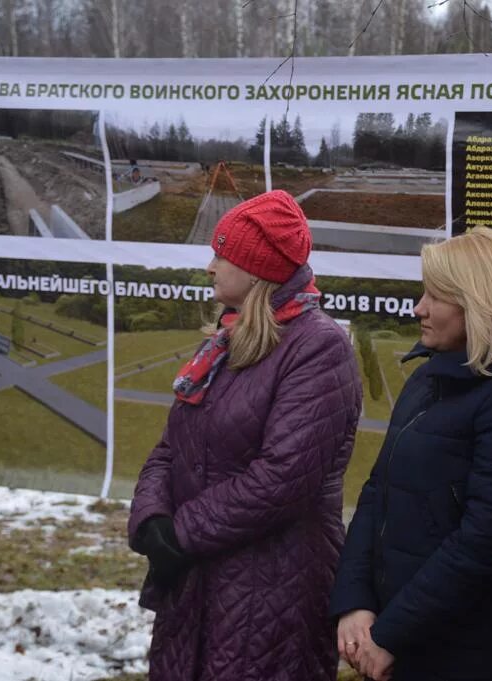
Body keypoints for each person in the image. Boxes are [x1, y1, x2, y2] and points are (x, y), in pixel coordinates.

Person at [127, 190, 363, 681]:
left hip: (273, 587)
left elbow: (284, 477)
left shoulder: (319, 348)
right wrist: (152, 519)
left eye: (222, 254)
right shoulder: (225, 340)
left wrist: (182, 534)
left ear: (256, 268)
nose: (210, 266)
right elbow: (171, 446)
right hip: (195, 582)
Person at [330, 226, 492, 681]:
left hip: (471, 649)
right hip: (402, 636)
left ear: (477, 302)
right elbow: (377, 492)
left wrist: (393, 633)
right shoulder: (431, 375)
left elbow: (487, 539)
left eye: (435, 296)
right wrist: (355, 603)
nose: (418, 308)